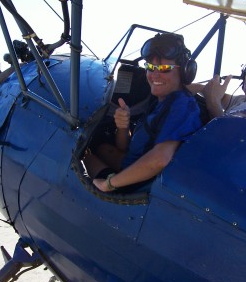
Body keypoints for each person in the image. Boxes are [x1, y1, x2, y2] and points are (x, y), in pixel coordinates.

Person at [83, 33, 202, 192]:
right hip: (130, 163)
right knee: (100, 146)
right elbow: (124, 147)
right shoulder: (158, 100)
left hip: (137, 183)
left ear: (185, 72)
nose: (154, 75)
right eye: (150, 67)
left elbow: (160, 159)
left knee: (84, 157)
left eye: (165, 69)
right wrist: (123, 127)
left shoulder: (181, 106)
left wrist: (110, 183)